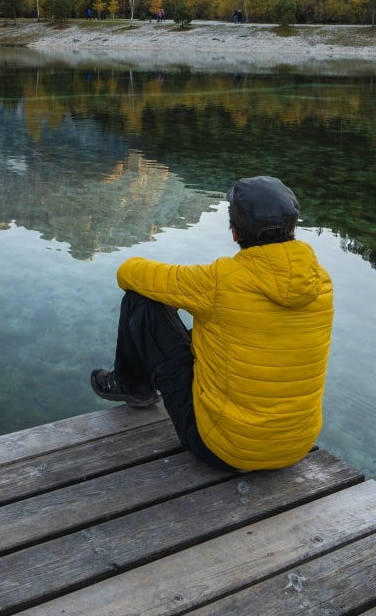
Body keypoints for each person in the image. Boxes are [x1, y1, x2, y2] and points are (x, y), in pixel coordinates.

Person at [91, 176, 333, 472]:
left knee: (141, 300)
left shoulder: (219, 280)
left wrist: (183, 294)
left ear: (234, 233)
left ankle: (131, 386)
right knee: (231, 333)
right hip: (297, 446)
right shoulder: (321, 282)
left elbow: (128, 273)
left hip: (222, 448)